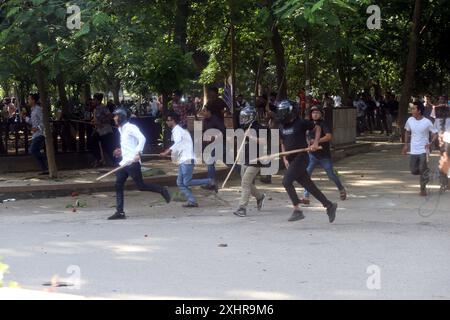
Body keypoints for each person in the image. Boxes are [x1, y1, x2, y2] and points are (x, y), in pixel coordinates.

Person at [277, 100, 338, 223]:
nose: (282, 114)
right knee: (309, 185)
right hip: (291, 159)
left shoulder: (300, 122)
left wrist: (315, 142)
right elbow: (282, 142)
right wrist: (284, 158)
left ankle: (297, 210)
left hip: (301, 157)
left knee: (286, 181)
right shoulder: (282, 126)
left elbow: (317, 128)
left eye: (284, 112)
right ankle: (329, 205)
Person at [108, 108, 171, 220]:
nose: (114, 118)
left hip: (133, 162)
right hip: (124, 162)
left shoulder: (131, 127)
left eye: (116, 116)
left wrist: (138, 153)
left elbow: (142, 138)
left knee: (141, 186)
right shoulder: (120, 129)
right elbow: (129, 145)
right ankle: (120, 212)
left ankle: (162, 189)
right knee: (118, 185)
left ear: (121, 117)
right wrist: (121, 151)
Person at [160, 112, 217, 208]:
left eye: (168, 120)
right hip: (184, 160)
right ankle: (192, 201)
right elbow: (179, 146)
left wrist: (167, 152)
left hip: (187, 159)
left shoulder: (177, 130)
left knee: (187, 182)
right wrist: (170, 154)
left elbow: (177, 143)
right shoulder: (180, 131)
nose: (167, 122)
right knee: (180, 182)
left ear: (173, 121)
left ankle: (210, 181)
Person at [302, 106, 346, 204]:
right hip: (312, 155)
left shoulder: (324, 124)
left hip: (324, 156)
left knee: (331, 175)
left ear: (321, 114)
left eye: (317, 112)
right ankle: (306, 196)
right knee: (306, 175)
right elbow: (306, 136)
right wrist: (309, 144)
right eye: (313, 112)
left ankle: (341, 188)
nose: (315, 114)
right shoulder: (309, 124)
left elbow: (329, 136)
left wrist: (316, 141)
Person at [233, 106, 267, 217]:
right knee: (247, 182)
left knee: (245, 183)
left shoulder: (260, 128)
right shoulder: (247, 128)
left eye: (245, 117)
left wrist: (250, 137)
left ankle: (242, 208)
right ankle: (260, 197)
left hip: (256, 160)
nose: (243, 119)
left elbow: (263, 141)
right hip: (246, 159)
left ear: (251, 117)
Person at [402, 101, 438, 196]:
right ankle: (426, 173)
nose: (412, 110)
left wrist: (430, 143)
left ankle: (423, 189)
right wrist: (406, 145)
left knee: (422, 168)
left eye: (414, 109)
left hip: (424, 149)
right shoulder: (410, 120)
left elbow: (435, 133)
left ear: (419, 111)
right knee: (413, 170)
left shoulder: (427, 122)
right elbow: (406, 132)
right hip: (414, 149)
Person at [201, 104, 226, 186]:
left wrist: (214, 137)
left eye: (204, 110)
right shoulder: (205, 120)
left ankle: (211, 183)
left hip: (220, 143)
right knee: (228, 162)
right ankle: (244, 172)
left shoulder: (216, 120)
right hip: (211, 145)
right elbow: (204, 131)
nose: (203, 112)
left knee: (210, 162)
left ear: (209, 111)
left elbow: (223, 131)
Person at [24, 93, 48, 175]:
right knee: (34, 150)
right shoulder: (32, 110)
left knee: (33, 150)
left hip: (40, 133)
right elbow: (32, 122)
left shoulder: (38, 109)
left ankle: (46, 164)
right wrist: (25, 118)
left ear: (33, 100)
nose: (28, 100)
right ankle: (45, 169)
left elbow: (43, 121)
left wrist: (37, 128)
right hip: (35, 134)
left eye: (29, 99)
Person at [91, 93, 116, 167]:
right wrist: (94, 121)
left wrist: (101, 121)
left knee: (108, 147)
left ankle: (115, 162)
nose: (93, 101)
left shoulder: (103, 107)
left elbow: (110, 116)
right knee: (92, 142)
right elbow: (96, 119)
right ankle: (99, 159)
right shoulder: (95, 109)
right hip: (98, 130)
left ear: (98, 100)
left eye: (94, 99)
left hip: (105, 131)